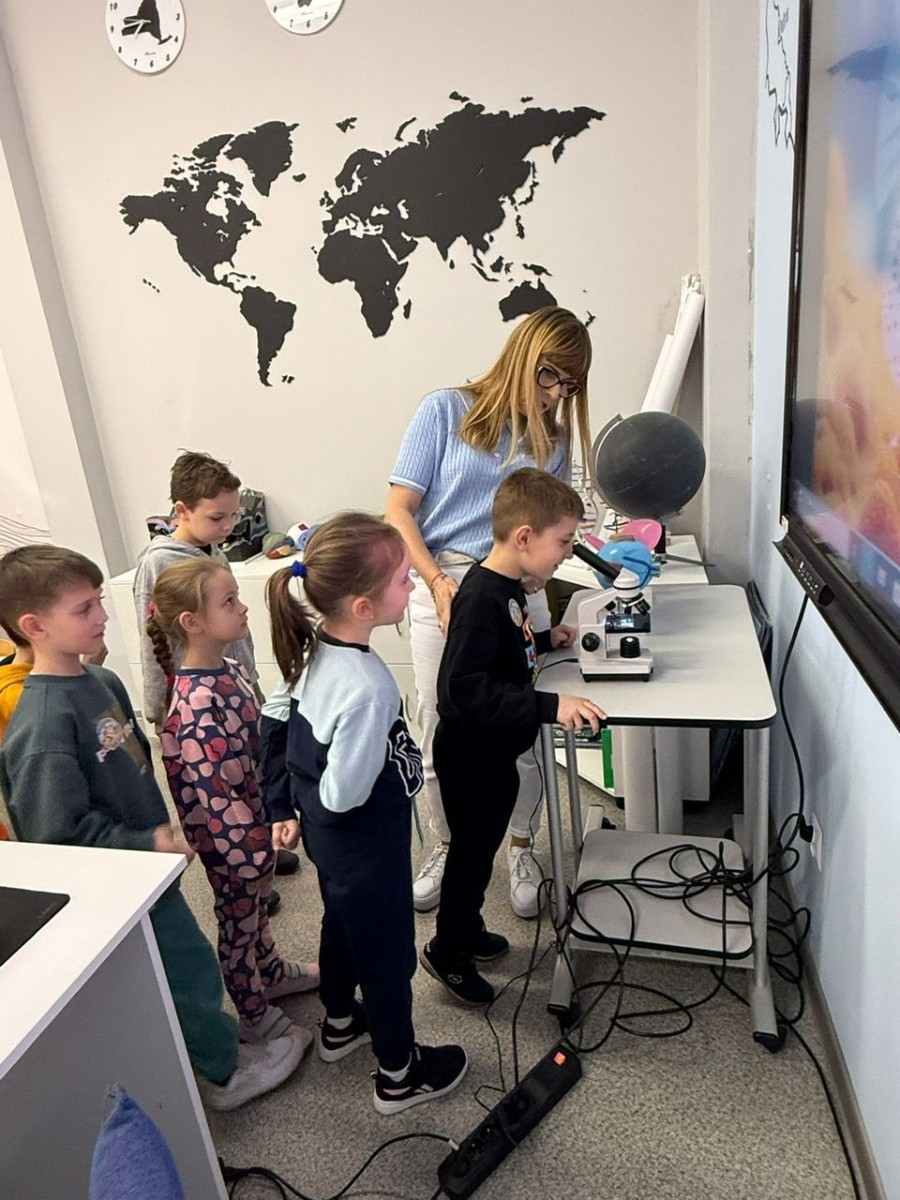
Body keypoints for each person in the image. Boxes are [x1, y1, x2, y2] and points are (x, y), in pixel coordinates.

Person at [0, 544, 305, 1111]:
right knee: (189, 969)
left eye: (99, 601)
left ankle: (218, 1039)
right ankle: (227, 1073)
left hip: (149, 868)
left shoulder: (101, 679)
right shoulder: (40, 726)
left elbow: (137, 762)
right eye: (85, 608)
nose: (104, 615)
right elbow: (53, 836)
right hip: (119, 876)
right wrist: (147, 842)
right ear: (34, 626)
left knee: (178, 965)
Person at [384, 306, 592, 919]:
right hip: (445, 583)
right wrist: (436, 583)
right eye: (550, 375)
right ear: (523, 355)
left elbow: (549, 527)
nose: (555, 394)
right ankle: (446, 846)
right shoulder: (444, 410)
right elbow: (398, 511)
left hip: (517, 588)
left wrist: (540, 596)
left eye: (569, 385)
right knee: (440, 724)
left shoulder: (553, 440)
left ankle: (522, 847)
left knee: (519, 732)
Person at [260, 512, 467, 1115]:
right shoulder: (368, 686)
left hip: (331, 843)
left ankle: (340, 1021)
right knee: (387, 954)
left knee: (342, 923)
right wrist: (317, 799)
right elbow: (345, 792)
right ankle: (399, 1074)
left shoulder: (313, 649)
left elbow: (279, 720)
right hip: (361, 841)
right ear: (362, 605)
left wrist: (292, 804)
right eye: (404, 579)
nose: (413, 585)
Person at [420, 469, 606, 1005]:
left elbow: (503, 654)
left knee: (480, 853)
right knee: (470, 857)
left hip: (493, 753)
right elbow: (461, 691)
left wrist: (545, 640)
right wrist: (550, 705)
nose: (567, 553)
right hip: (470, 757)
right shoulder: (480, 598)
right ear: (525, 537)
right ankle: (448, 951)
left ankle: (467, 929)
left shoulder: (507, 588)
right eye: (563, 541)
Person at [148, 557, 319, 1048]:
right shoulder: (196, 703)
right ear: (192, 622)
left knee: (257, 909)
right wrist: (252, 852)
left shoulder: (230, 669)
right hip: (231, 843)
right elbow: (215, 797)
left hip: (253, 822)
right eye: (229, 602)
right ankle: (252, 1014)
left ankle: (272, 972)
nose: (243, 608)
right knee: (238, 923)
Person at [132, 449, 299, 883]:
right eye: (216, 517)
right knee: (219, 787)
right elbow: (150, 641)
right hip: (194, 700)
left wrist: (250, 680)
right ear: (182, 510)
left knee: (252, 771)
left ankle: (264, 844)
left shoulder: (212, 550)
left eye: (232, 516)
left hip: (232, 683)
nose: (227, 527)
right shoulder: (159, 562)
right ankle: (240, 868)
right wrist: (159, 707)